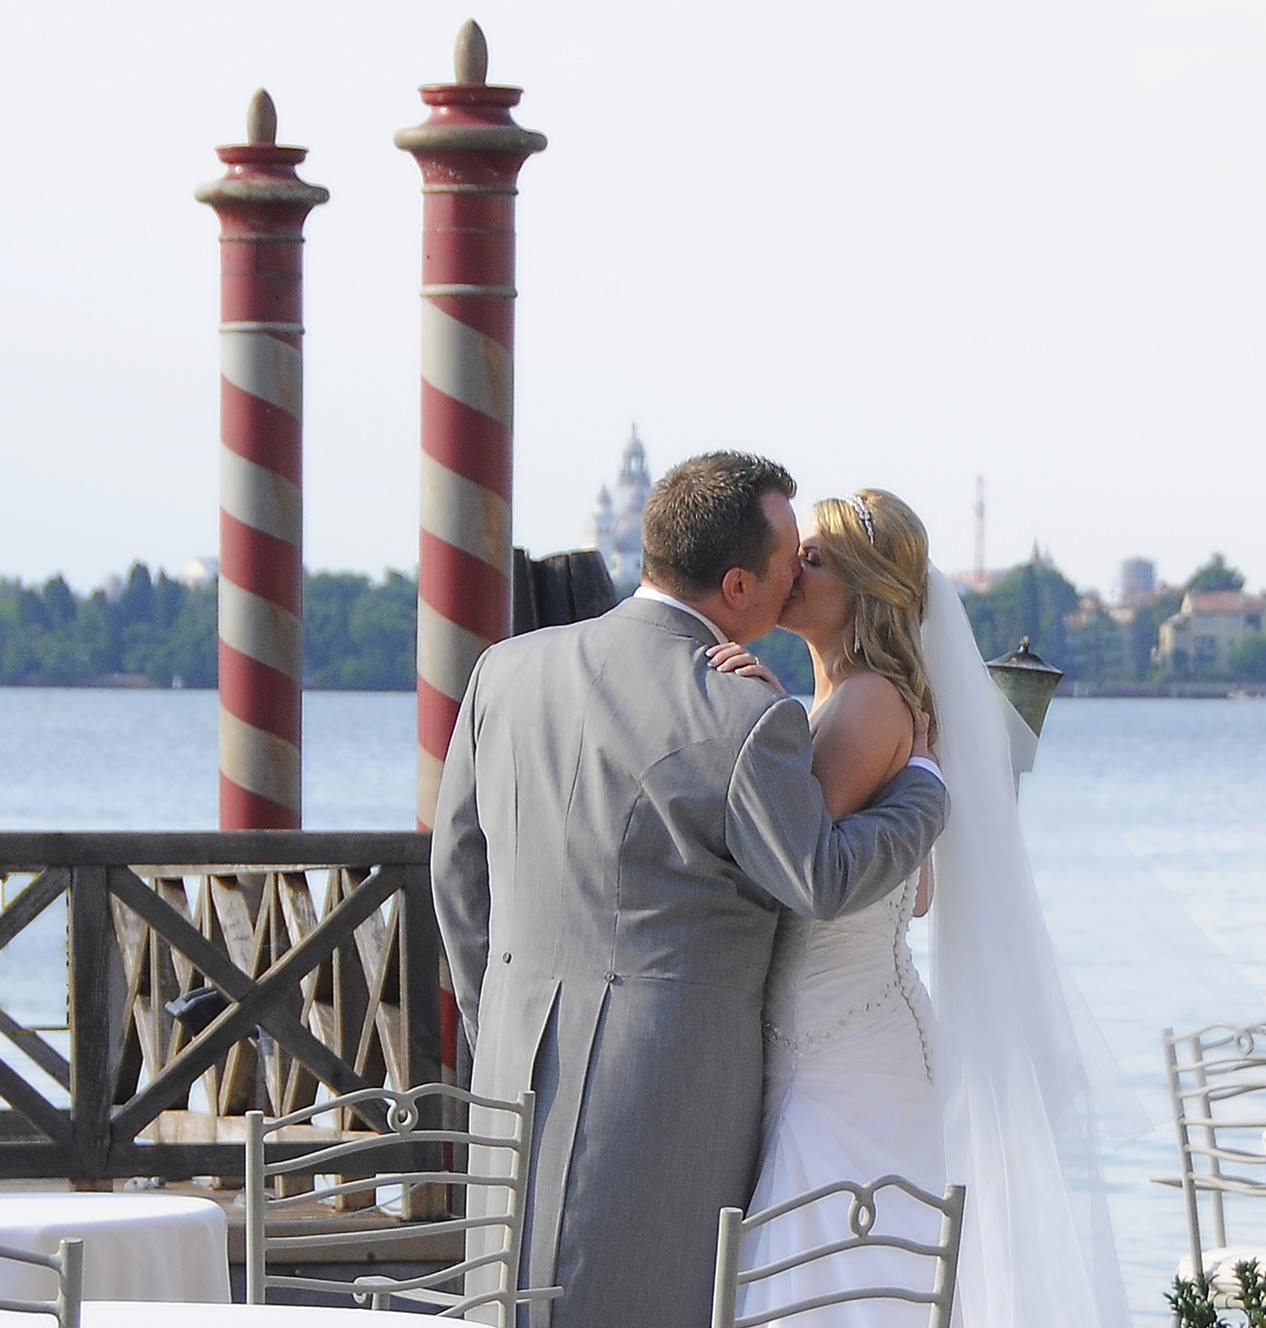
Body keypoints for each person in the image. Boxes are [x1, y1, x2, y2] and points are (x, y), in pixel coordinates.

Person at [430, 453, 951, 1328]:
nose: (797, 575)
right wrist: (930, 792)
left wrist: (500, 1018)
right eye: (792, 558)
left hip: (511, 1058)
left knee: (506, 1305)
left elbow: (456, 870)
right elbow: (820, 876)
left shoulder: (504, 671)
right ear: (741, 583)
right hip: (674, 1086)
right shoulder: (747, 716)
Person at [715, 489, 1128, 1327]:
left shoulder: (866, 701)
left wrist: (762, 715)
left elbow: (802, 864)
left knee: (828, 1284)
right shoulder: (849, 700)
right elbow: (918, 889)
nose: (793, 568)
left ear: (864, 588)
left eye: (817, 560)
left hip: (847, 1060)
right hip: (844, 1036)